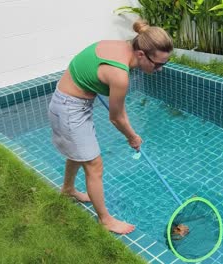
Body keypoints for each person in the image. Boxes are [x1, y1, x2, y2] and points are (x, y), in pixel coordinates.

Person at [48, 19, 173, 235]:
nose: (160, 69)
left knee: (80, 153)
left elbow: (91, 71)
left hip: (68, 102)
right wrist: (132, 137)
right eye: (158, 64)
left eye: (164, 64)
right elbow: (116, 118)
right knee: (94, 165)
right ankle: (105, 220)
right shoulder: (120, 75)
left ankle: (68, 189)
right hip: (70, 108)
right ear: (142, 54)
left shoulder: (120, 47)